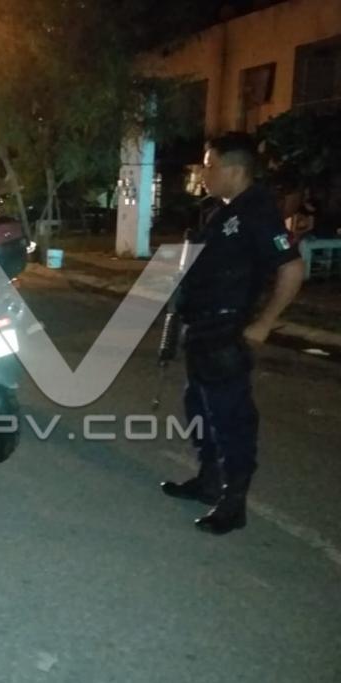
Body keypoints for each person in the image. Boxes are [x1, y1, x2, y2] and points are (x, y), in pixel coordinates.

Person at [161, 132, 304, 535]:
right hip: (202, 329)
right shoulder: (223, 212)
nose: (203, 173)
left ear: (235, 169)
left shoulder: (257, 211)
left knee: (230, 418)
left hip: (226, 330)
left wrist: (264, 322)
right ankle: (209, 481)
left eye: (209, 165)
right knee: (199, 409)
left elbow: (292, 268)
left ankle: (233, 503)